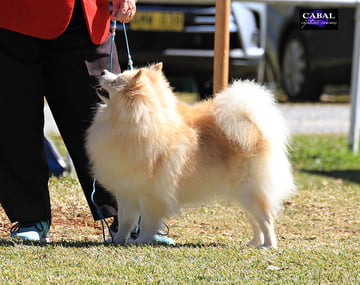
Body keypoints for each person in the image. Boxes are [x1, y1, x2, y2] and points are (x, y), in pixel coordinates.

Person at [0, 0, 170, 244]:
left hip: (85, 14)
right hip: (12, 15)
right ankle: (30, 218)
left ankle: (131, 216)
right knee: (16, 120)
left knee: (109, 117)